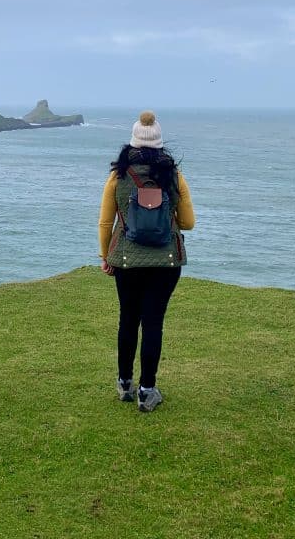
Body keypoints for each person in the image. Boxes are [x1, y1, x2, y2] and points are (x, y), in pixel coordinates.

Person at [98, 111, 195, 412]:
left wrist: (105, 256)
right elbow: (188, 223)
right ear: (160, 142)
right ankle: (147, 391)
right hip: (166, 262)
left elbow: (105, 222)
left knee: (128, 319)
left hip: (126, 260)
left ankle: (124, 383)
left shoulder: (118, 176)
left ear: (133, 141)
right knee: (153, 323)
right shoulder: (174, 176)